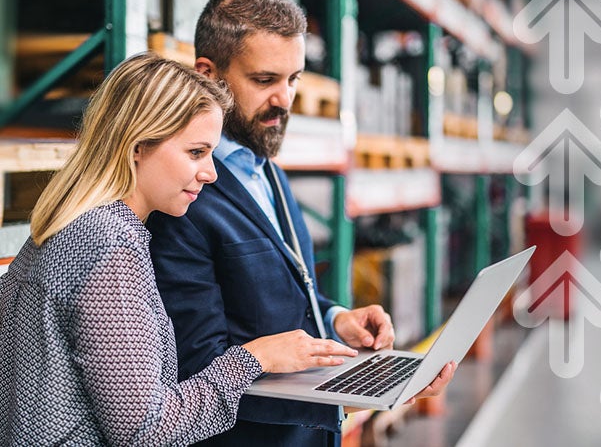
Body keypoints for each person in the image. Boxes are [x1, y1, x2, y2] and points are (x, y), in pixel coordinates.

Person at [146, 0, 457, 446]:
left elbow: (280, 294)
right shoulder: (183, 197)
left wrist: (334, 319)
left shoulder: (264, 167)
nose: (286, 100)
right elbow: (197, 372)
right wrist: (352, 395)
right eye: (265, 80)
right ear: (208, 74)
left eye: (294, 79)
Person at [0, 52, 358, 445]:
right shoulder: (108, 243)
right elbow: (147, 431)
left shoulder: (67, 225)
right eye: (196, 152)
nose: (211, 172)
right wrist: (254, 359)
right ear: (137, 145)